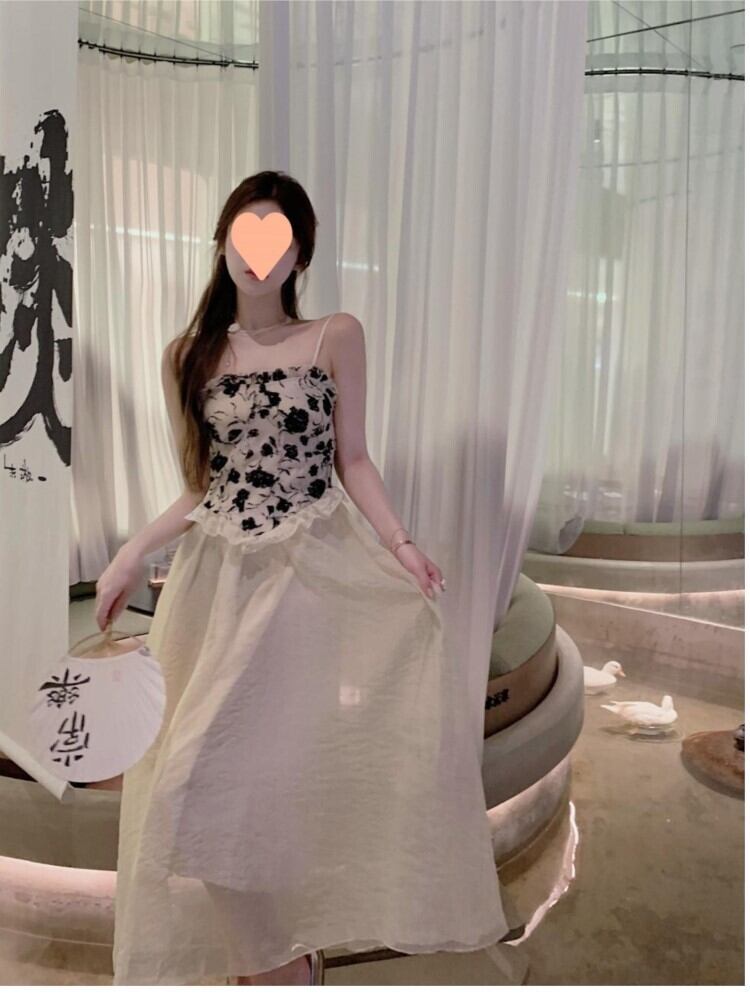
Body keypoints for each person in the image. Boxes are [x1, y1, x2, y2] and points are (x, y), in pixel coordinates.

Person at [97, 169, 509, 986]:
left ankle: (277, 965)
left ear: (300, 257)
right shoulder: (188, 356)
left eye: (278, 240)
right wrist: (128, 553)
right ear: (221, 243)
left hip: (306, 578)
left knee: (267, 782)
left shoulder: (334, 336)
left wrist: (399, 543)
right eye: (245, 234)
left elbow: (353, 458)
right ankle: (282, 960)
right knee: (184, 781)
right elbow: (200, 486)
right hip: (215, 583)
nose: (259, 254)